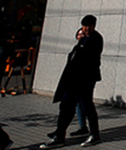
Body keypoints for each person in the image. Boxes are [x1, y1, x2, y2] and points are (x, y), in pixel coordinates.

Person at [41, 15, 103, 148]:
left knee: (85, 106)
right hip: (73, 80)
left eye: (89, 26)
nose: (86, 29)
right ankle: (60, 133)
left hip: (84, 80)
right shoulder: (82, 40)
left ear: (94, 26)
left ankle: (93, 134)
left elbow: (87, 60)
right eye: (84, 26)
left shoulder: (95, 39)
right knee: (68, 107)